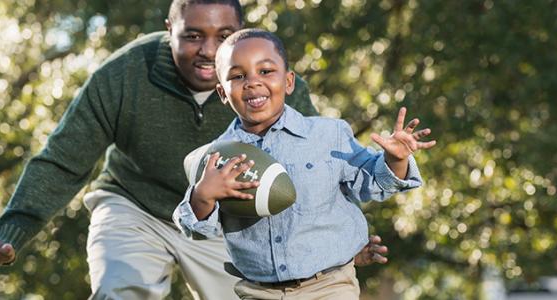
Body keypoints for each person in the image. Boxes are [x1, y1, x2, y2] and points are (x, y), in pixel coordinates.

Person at [0, 1, 388, 299]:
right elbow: (62, 162)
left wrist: (336, 244)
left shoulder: (273, 85)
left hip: (228, 220)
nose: (208, 50)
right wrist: (11, 234)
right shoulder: (124, 75)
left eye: (223, 36)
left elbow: (312, 171)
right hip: (135, 206)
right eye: (192, 35)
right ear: (169, 31)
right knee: (122, 288)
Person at [174, 28, 436, 299]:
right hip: (258, 291)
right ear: (222, 93)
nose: (252, 82)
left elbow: (373, 183)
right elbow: (196, 229)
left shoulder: (328, 134)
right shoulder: (218, 158)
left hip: (330, 284)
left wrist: (395, 158)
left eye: (265, 71)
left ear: (288, 82)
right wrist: (202, 196)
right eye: (238, 76)